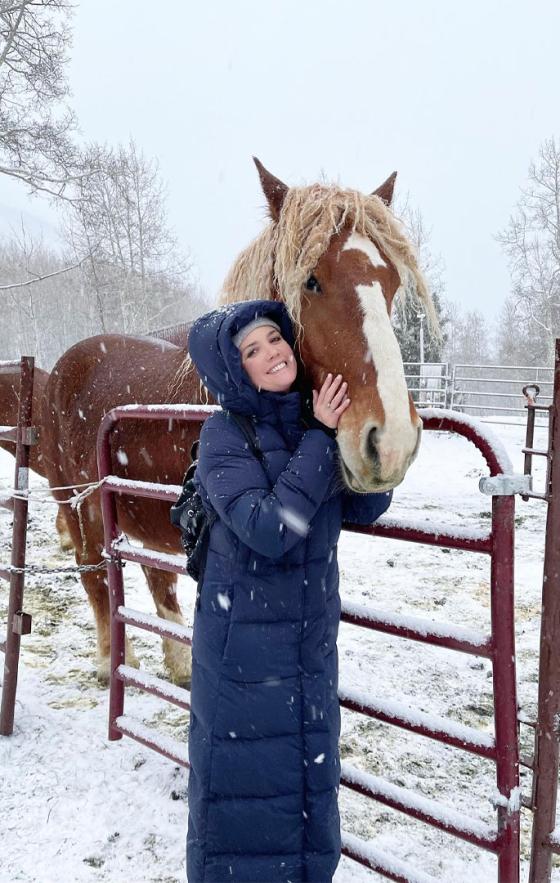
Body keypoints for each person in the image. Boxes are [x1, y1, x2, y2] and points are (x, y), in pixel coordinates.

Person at [186, 300, 392, 883]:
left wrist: (371, 432)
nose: (271, 353)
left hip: (306, 648)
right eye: (251, 350)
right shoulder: (223, 435)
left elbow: (366, 506)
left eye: (274, 338)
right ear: (233, 371)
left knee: (307, 788)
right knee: (245, 803)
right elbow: (272, 529)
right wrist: (325, 440)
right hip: (243, 659)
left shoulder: (309, 420)